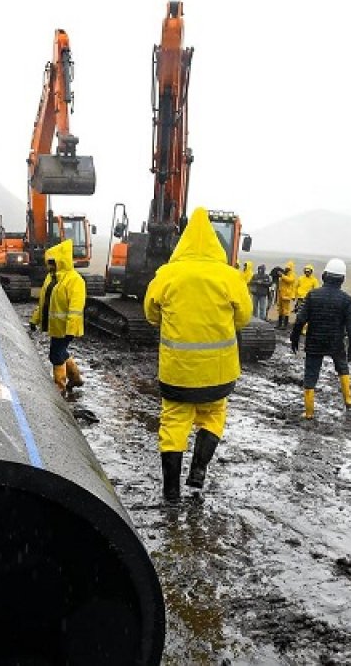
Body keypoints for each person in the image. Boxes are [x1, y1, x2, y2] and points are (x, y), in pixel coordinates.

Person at [144, 207, 252, 503]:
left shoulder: (167, 274)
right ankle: (199, 471)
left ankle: (171, 490)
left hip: (177, 372)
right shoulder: (230, 277)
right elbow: (243, 316)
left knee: (174, 423)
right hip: (218, 374)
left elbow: (151, 313)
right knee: (213, 415)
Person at [290, 258, 351, 420]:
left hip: (315, 341)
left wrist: (294, 338)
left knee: (311, 375)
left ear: (324, 276)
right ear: (342, 279)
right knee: (342, 368)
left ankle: (309, 412)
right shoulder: (346, 300)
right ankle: (348, 400)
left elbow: (300, 320)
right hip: (336, 342)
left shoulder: (313, 295)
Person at [29, 239, 86, 397]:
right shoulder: (51, 278)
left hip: (65, 328)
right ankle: (75, 378)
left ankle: (59, 388)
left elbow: (76, 309)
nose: (50, 265)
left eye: (52, 262)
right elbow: (43, 303)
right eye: (49, 262)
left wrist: (70, 330)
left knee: (56, 354)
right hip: (55, 326)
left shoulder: (75, 281)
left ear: (61, 261)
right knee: (60, 352)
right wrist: (35, 320)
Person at [275, 261, 297, 329]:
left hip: (286, 295)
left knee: (286, 311)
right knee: (280, 310)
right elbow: (281, 282)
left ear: (291, 268)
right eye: (287, 267)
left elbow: (290, 280)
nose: (287, 268)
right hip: (281, 294)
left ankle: (285, 325)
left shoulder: (292, 275)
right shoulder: (284, 274)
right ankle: (279, 324)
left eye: (289, 267)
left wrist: (282, 275)